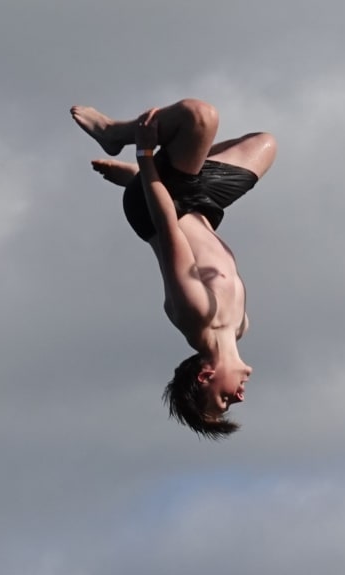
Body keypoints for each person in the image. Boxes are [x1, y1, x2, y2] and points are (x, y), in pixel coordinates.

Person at [71, 99, 277, 438]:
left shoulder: (195, 313)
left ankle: (114, 134)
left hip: (160, 205)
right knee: (264, 143)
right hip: (203, 207)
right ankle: (153, 172)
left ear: (205, 377)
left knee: (199, 116)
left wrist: (146, 156)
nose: (240, 395)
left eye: (225, 400)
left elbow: (168, 228)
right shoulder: (239, 327)